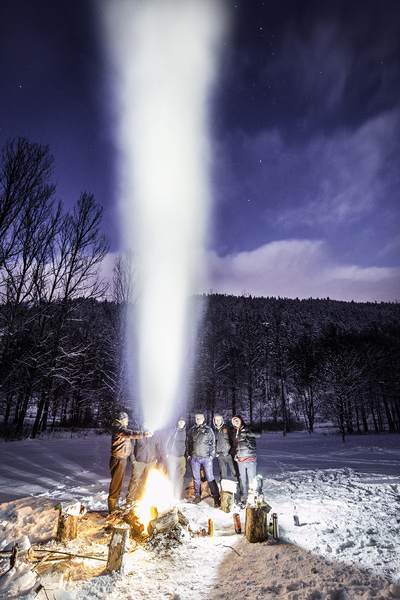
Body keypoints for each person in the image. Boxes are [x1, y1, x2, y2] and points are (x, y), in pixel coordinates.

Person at [108, 412, 152, 514]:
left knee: (118, 484)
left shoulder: (120, 428)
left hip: (121, 460)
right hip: (118, 459)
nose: (128, 421)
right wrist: (144, 434)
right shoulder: (119, 428)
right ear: (121, 419)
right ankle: (112, 509)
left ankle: (115, 507)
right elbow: (129, 433)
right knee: (115, 485)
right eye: (126, 419)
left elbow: (129, 432)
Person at [125, 422, 165, 506]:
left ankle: (145, 497)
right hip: (139, 461)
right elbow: (131, 446)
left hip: (151, 462)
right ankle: (129, 500)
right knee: (134, 480)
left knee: (149, 480)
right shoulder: (138, 434)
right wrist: (133, 460)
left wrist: (156, 459)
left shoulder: (155, 434)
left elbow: (158, 447)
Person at [186, 412, 220, 507]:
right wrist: (189, 455)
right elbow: (188, 443)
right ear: (195, 419)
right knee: (196, 478)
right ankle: (197, 495)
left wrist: (211, 455)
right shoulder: (192, 430)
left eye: (200, 418)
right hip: (194, 458)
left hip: (206, 458)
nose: (198, 420)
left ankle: (216, 497)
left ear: (203, 419)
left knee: (210, 477)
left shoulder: (208, 430)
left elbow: (213, 443)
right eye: (197, 418)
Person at [231, 414, 261, 506]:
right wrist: (235, 454)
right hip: (240, 460)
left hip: (250, 458)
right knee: (242, 480)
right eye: (234, 421)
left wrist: (248, 433)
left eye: (237, 420)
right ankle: (244, 498)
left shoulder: (248, 428)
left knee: (252, 479)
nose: (236, 422)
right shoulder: (234, 432)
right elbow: (235, 445)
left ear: (241, 420)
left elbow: (259, 433)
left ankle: (253, 498)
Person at [212, 414, 238, 484]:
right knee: (223, 476)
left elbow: (234, 440)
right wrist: (215, 453)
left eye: (219, 419)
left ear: (222, 420)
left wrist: (232, 452)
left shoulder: (227, 428)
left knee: (235, 473)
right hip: (220, 456)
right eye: (216, 419)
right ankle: (225, 492)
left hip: (229, 455)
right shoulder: (213, 431)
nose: (218, 421)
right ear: (214, 421)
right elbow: (212, 443)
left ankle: (237, 491)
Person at [165, 417, 187, 499]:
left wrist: (186, 454)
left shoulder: (186, 432)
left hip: (181, 456)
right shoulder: (173, 431)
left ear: (184, 423)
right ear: (177, 422)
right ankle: (170, 493)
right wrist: (167, 453)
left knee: (180, 477)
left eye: (182, 422)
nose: (181, 423)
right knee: (171, 475)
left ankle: (178, 494)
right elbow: (166, 442)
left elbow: (188, 443)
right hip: (172, 456)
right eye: (180, 421)